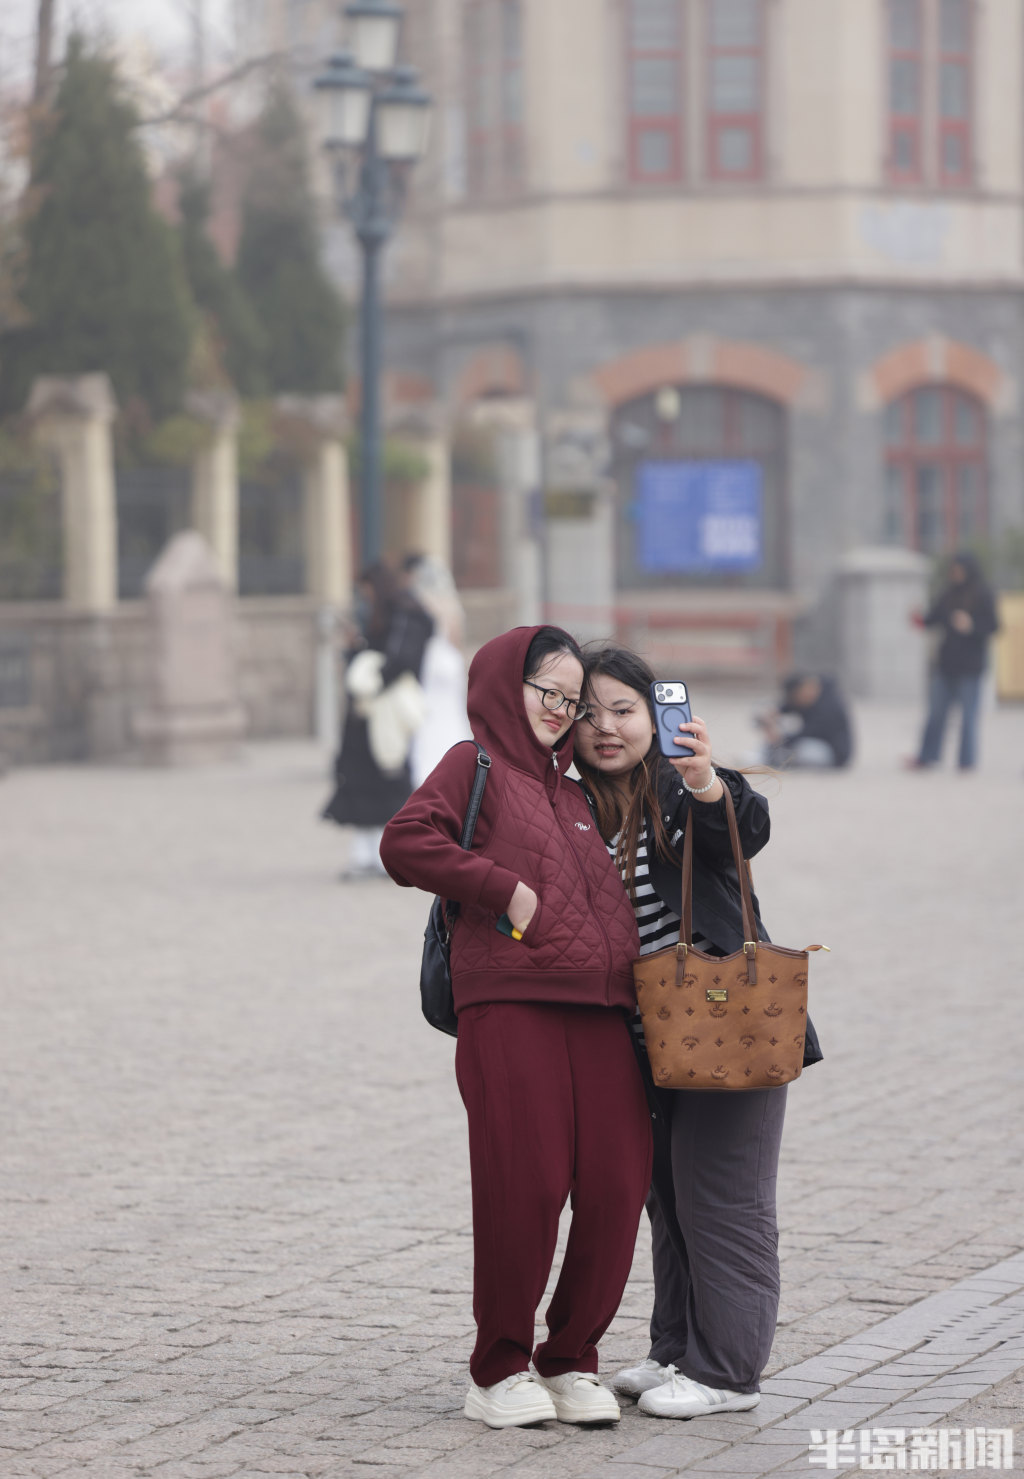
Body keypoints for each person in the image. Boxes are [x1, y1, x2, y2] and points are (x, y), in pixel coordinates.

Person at [379, 626, 652, 1430]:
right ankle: (499, 1368)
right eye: (548, 692)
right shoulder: (475, 764)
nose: (562, 710)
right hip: (510, 1004)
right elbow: (405, 840)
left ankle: (569, 1359)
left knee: (616, 1186)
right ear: (509, 685)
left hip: (603, 1012)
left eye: (572, 699)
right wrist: (502, 887)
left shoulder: (578, 790)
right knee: (524, 1185)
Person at [573, 643, 823, 1422]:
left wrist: (705, 778)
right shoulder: (582, 805)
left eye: (623, 710)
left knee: (724, 1199)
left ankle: (729, 1371)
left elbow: (741, 828)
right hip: (646, 1040)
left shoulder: (676, 789)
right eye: (588, 713)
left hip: (728, 1024)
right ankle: (677, 1347)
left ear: (656, 715)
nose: (606, 727)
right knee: (671, 1199)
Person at [321, 562, 433, 879]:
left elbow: (401, 660)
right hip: (368, 714)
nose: (364, 597)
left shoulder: (405, 614)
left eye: (367, 590)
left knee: (387, 776)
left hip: (385, 713)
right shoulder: (389, 614)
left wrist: (370, 677)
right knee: (363, 779)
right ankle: (367, 853)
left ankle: (389, 855)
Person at [909, 552, 999, 771]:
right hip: (946, 664)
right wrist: (919, 619)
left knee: (968, 717)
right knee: (936, 713)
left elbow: (994, 626)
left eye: (959, 570)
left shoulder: (983, 593)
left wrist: (971, 625)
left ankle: (966, 761)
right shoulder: (948, 593)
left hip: (971, 667)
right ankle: (927, 756)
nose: (956, 574)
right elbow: (933, 619)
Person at [400, 553, 472, 788]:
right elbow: (456, 641)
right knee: (452, 712)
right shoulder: (452, 605)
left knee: (429, 713)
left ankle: (427, 766)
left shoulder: (422, 603)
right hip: (450, 663)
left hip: (432, 661)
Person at [756, 673, 852, 769]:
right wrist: (775, 712)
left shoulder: (829, 706)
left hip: (833, 754)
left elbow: (809, 732)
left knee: (801, 749)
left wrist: (780, 739)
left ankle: (776, 758)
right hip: (817, 743)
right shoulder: (814, 694)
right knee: (783, 744)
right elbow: (793, 704)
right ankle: (770, 756)